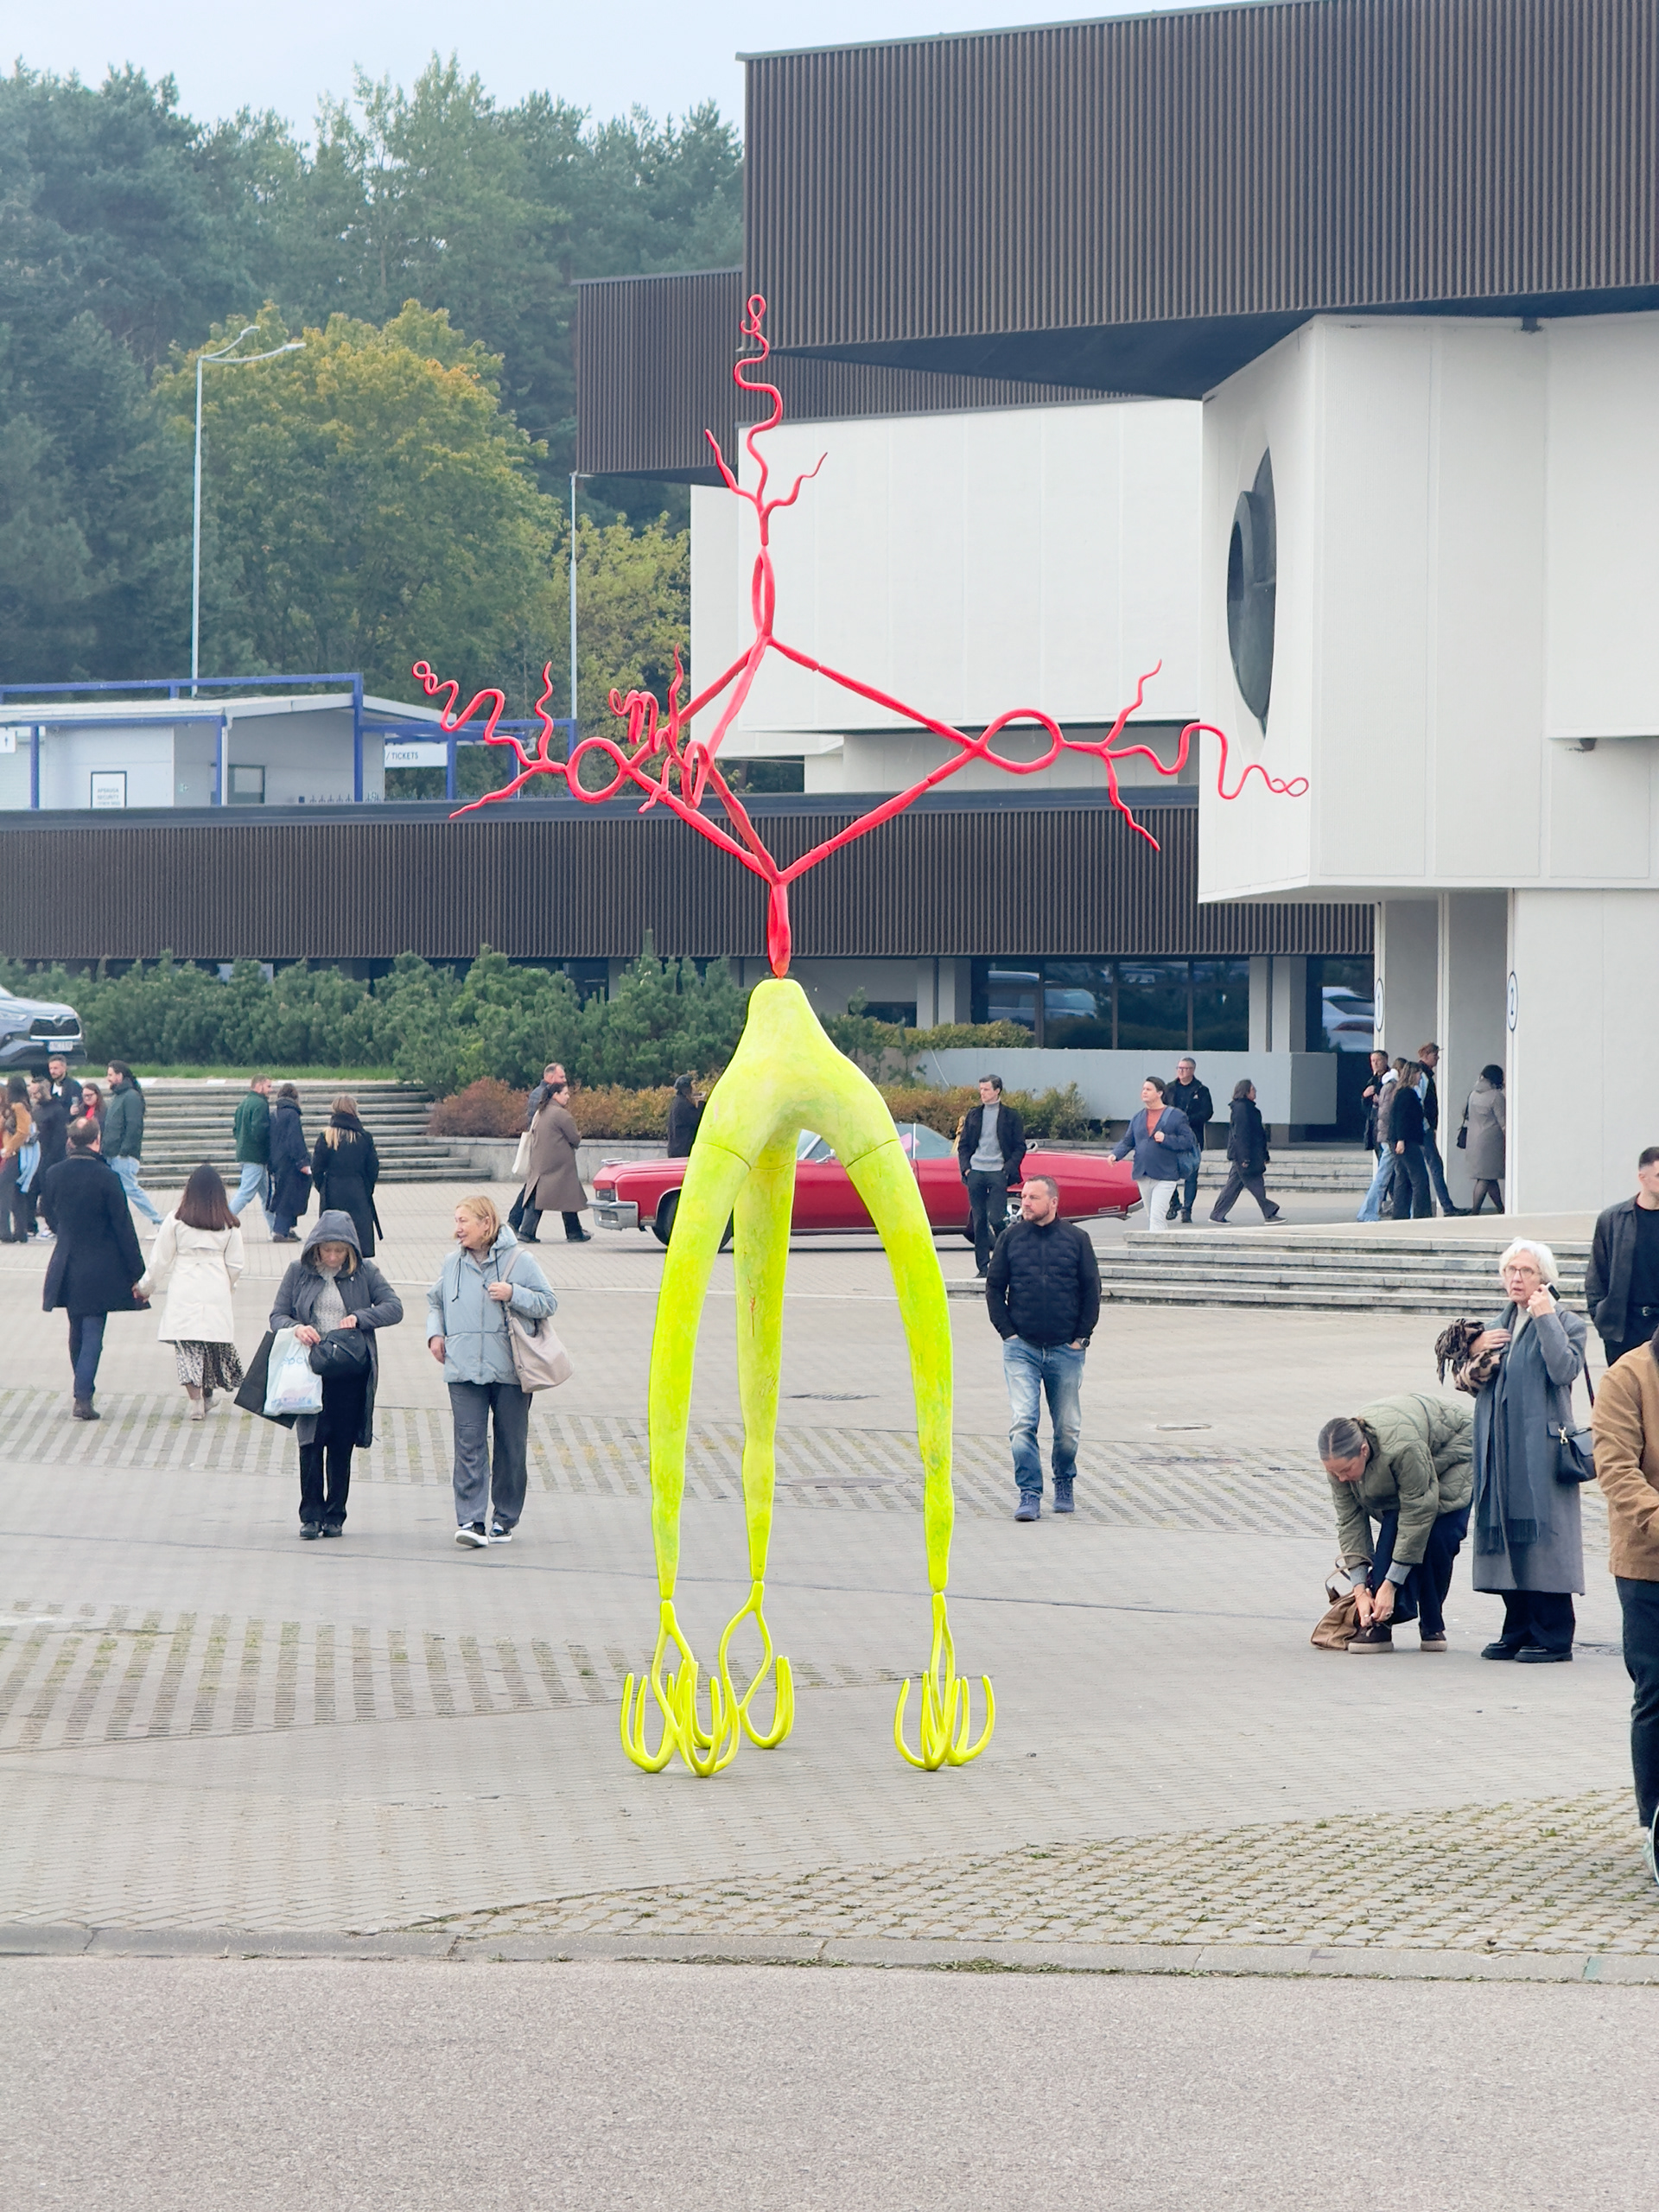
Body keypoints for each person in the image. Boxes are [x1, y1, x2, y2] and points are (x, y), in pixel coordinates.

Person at [1456, 1238, 1589, 1662]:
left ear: (1544, 1278)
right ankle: (1517, 1627)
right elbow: (1465, 1381)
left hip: (1542, 1449)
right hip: (1499, 1446)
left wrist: (1545, 1317)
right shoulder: (1497, 1325)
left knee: (1546, 1539)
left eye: (1526, 1271)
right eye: (1510, 1271)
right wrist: (1475, 1352)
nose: (1516, 1278)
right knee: (1506, 1532)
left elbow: (1564, 1370)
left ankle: (1553, 1634)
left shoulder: (1567, 1322)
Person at [426, 1195, 558, 1548]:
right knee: (468, 1444)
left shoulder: (520, 1260)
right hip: (463, 1368)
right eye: (456, 1221)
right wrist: (435, 1334)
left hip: (511, 1371)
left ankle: (504, 1518)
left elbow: (549, 1302)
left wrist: (514, 1293)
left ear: (486, 1223)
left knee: (511, 1446)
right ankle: (471, 1520)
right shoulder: (452, 1263)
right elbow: (435, 1302)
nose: (457, 1228)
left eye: (464, 1221)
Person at [266, 1211, 403, 1538]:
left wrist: (361, 1317)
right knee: (310, 1443)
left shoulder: (366, 1273)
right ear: (316, 1247)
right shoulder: (298, 1271)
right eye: (327, 1250)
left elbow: (394, 1307)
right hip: (310, 1370)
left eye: (339, 1251)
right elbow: (277, 1315)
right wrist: (296, 1328)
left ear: (350, 1250)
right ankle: (310, 1516)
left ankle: (335, 1515)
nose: (332, 1257)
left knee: (341, 1444)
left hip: (349, 1369)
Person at [1318, 1395, 1475, 1652]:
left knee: (1439, 1537)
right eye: (1334, 1473)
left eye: (1346, 1470)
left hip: (1456, 1447)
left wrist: (1391, 1584)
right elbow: (1350, 1523)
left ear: (1363, 1450)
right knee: (1394, 1526)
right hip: (1412, 1452)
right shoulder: (1339, 1464)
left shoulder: (1402, 1449)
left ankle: (1431, 1622)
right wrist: (1359, 1590)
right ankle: (1379, 1619)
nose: (1341, 1478)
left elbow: (1417, 1514)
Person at [985, 1172, 1100, 1522]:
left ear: (1053, 1202)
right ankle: (1029, 1493)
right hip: (1022, 1347)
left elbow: (1091, 1289)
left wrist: (1081, 1338)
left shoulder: (1077, 1239)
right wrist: (1007, 1333)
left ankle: (1064, 1481)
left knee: (1067, 1428)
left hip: (1066, 1348)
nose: (1025, 1204)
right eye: (1023, 1197)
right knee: (1023, 1421)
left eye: (1033, 1198)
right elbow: (994, 1287)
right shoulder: (1010, 1238)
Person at [1591, 1312, 1659, 1886]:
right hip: (1648, 1566)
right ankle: (1654, 1822)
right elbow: (1616, 1472)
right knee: (1656, 1689)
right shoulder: (1628, 1377)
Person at [38, 1118, 148, 1419]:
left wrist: (64, 1232)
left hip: (67, 1262)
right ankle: (83, 1396)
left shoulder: (54, 1173)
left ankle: (82, 1389)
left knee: (76, 1329)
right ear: (97, 1140)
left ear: (70, 1141)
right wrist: (139, 1274)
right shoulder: (107, 1177)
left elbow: (47, 1212)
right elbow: (123, 1227)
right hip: (101, 1266)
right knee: (93, 1333)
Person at [135, 1164, 246, 1421]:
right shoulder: (230, 1224)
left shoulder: (176, 1220)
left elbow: (160, 1260)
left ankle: (195, 1401)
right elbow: (236, 1265)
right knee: (210, 1345)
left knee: (187, 1347)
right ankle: (208, 1396)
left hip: (185, 1285)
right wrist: (228, 1287)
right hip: (216, 1286)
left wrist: (145, 1288)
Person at [1586, 1146, 1659, 1373]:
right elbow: (1596, 1275)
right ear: (1642, 1178)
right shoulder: (1613, 1220)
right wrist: (1602, 1316)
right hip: (1624, 1330)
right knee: (1624, 1390)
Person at [957, 1074, 1027, 1276]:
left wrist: (1008, 1168)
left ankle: (1007, 1256)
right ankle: (983, 1268)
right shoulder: (974, 1114)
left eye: (986, 1089)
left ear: (997, 1091)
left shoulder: (1011, 1116)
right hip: (976, 1172)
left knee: (996, 1218)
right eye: (981, 1089)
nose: (982, 1093)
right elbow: (964, 1145)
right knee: (979, 1221)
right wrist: (967, 1169)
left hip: (998, 1172)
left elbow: (1020, 1147)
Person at [1111, 1075, 1196, 1236]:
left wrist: (1166, 1139)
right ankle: (1163, 1244)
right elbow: (1128, 1141)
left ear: (1159, 1093)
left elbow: (1188, 1141)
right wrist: (1115, 1155)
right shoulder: (1138, 1117)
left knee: (1157, 1217)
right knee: (1153, 1217)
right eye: (1143, 1089)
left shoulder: (1176, 1116)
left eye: (1148, 1089)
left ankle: (1155, 1246)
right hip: (1143, 1173)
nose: (1144, 1092)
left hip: (1166, 1175)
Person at [521, 1073, 590, 1243]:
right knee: (567, 1197)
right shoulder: (561, 1114)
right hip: (559, 1166)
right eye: (565, 1093)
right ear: (555, 1095)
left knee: (539, 1198)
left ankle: (528, 1231)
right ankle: (573, 1233)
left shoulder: (541, 1112)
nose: (568, 1097)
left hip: (541, 1163)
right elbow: (574, 1139)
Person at [310, 1094, 380, 1256]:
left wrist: (323, 1187)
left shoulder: (327, 1136)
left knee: (333, 1233)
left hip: (333, 1191)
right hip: (358, 1190)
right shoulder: (363, 1137)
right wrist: (366, 1188)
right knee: (358, 1234)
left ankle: (333, 1259)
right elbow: (373, 1168)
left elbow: (317, 1167)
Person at [1208, 1079, 1281, 1224]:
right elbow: (1242, 1135)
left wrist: (1264, 1154)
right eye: (1253, 1090)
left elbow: (1257, 1134)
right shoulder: (1242, 1109)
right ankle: (1269, 1212)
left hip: (1248, 1154)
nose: (1255, 1092)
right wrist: (1245, 1157)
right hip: (1245, 1155)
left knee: (1233, 1186)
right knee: (1255, 1183)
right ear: (1245, 1091)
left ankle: (1217, 1214)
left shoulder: (1248, 1108)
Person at [509, 1064, 565, 1235]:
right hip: (543, 1150)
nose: (564, 1080)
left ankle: (574, 1229)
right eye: (561, 1077)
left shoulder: (538, 1092)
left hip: (542, 1148)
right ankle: (518, 1223)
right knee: (533, 1189)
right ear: (550, 1077)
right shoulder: (544, 1095)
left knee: (563, 1189)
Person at [102, 1061, 161, 1226]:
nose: (108, 1078)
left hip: (122, 1155)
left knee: (132, 1189)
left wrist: (124, 1150)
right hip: (112, 1153)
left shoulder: (131, 1096)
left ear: (119, 1076)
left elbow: (134, 1126)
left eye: (110, 1075)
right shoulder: (118, 1096)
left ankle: (159, 1221)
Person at [1414, 1043, 1464, 1216]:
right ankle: (1446, 1206)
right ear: (1427, 1055)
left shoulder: (1423, 1074)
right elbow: (1423, 1103)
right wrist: (1430, 1126)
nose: (1437, 1058)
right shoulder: (1423, 1076)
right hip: (1424, 1128)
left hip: (1423, 1128)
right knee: (1435, 1165)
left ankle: (1438, 1205)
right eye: (1435, 1055)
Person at [1164, 1056, 1213, 1224]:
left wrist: (1187, 1120)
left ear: (1192, 1070)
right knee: (1168, 1172)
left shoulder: (1201, 1090)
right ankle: (1174, 1202)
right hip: (1171, 1137)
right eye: (1179, 1068)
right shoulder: (1170, 1088)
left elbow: (1207, 1112)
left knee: (1191, 1176)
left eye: (1185, 1069)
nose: (1181, 1071)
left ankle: (1187, 1209)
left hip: (1192, 1137)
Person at [1386, 1058, 1433, 1220]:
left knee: (1403, 1177)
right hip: (1407, 1140)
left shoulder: (1402, 1092)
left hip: (1401, 1139)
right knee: (1419, 1177)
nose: (1420, 1077)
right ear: (1412, 1074)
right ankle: (1422, 1213)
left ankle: (1400, 1213)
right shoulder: (1407, 1094)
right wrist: (1401, 1139)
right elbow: (1402, 1118)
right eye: (1418, 1074)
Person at [1356, 1057, 1400, 1221]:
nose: (1374, 1063)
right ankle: (1369, 1211)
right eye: (1372, 1060)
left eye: (1378, 1060)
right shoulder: (1388, 1086)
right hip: (1388, 1136)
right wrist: (1366, 1097)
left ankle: (1397, 1207)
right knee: (1387, 1175)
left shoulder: (1386, 1085)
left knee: (1391, 1174)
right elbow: (1383, 1113)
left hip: (1384, 1135)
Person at [267, 1083, 311, 1242]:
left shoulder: (275, 1114)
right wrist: (303, 1161)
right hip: (290, 1162)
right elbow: (295, 1140)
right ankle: (280, 1230)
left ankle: (289, 1228)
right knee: (289, 1196)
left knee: (284, 1192)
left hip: (277, 1161)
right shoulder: (292, 1115)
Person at [1462, 1064, 1507, 1215]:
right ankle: (1475, 1211)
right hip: (1491, 1142)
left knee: (1489, 1177)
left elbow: (1465, 1114)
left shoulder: (1473, 1094)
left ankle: (1501, 1209)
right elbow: (1503, 1121)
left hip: (1474, 1139)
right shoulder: (1496, 1096)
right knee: (1485, 1179)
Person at [25, 1077, 67, 1239]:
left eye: (35, 1093)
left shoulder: (57, 1110)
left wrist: (50, 1159)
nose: (33, 1096)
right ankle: (30, 1226)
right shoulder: (36, 1108)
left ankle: (54, 1226)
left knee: (48, 1196)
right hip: (36, 1156)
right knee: (30, 1192)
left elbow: (59, 1139)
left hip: (50, 1157)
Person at [232, 1074, 273, 1231]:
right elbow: (260, 1131)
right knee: (246, 1193)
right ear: (259, 1086)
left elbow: (236, 1130)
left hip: (245, 1153)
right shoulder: (260, 1104)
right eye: (268, 1086)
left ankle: (276, 1229)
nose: (270, 1090)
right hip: (256, 1156)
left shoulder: (243, 1103)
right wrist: (269, 1147)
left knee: (268, 1195)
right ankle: (222, 1220)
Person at [0, 1074, 33, 1243]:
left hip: (16, 1155)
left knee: (3, 1191)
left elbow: (23, 1131)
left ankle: (4, 1232)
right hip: (17, 1154)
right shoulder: (18, 1105)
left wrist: (9, 1148)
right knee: (16, 1194)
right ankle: (21, 1232)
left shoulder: (19, 1107)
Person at [666, 1074, 702, 1160]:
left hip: (676, 1149)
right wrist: (701, 1103)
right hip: (683, 1150)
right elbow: (698, 1120)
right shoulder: (684, 1105)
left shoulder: (677, 1102)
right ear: (686, 1089)